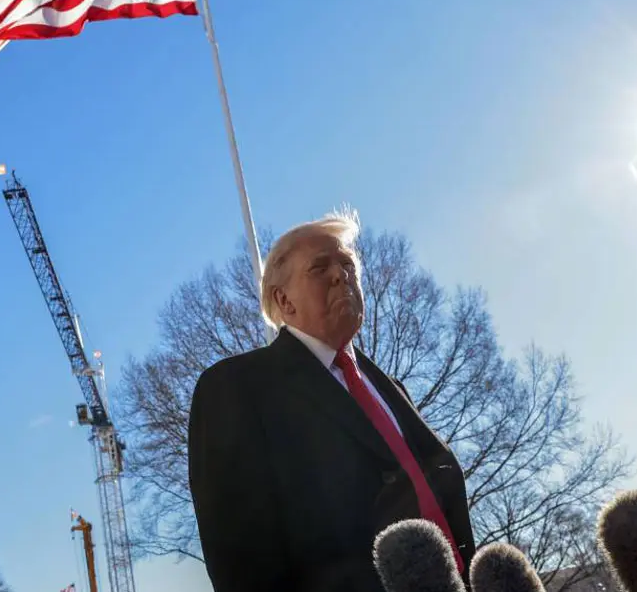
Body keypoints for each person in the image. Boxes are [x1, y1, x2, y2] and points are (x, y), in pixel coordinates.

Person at [188, 209, 475, 592]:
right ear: (283, 300)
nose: (341, 275)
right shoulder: (235, 388)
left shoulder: (392, 389)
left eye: (348, 264)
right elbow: (240, 558)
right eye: (320, 268)